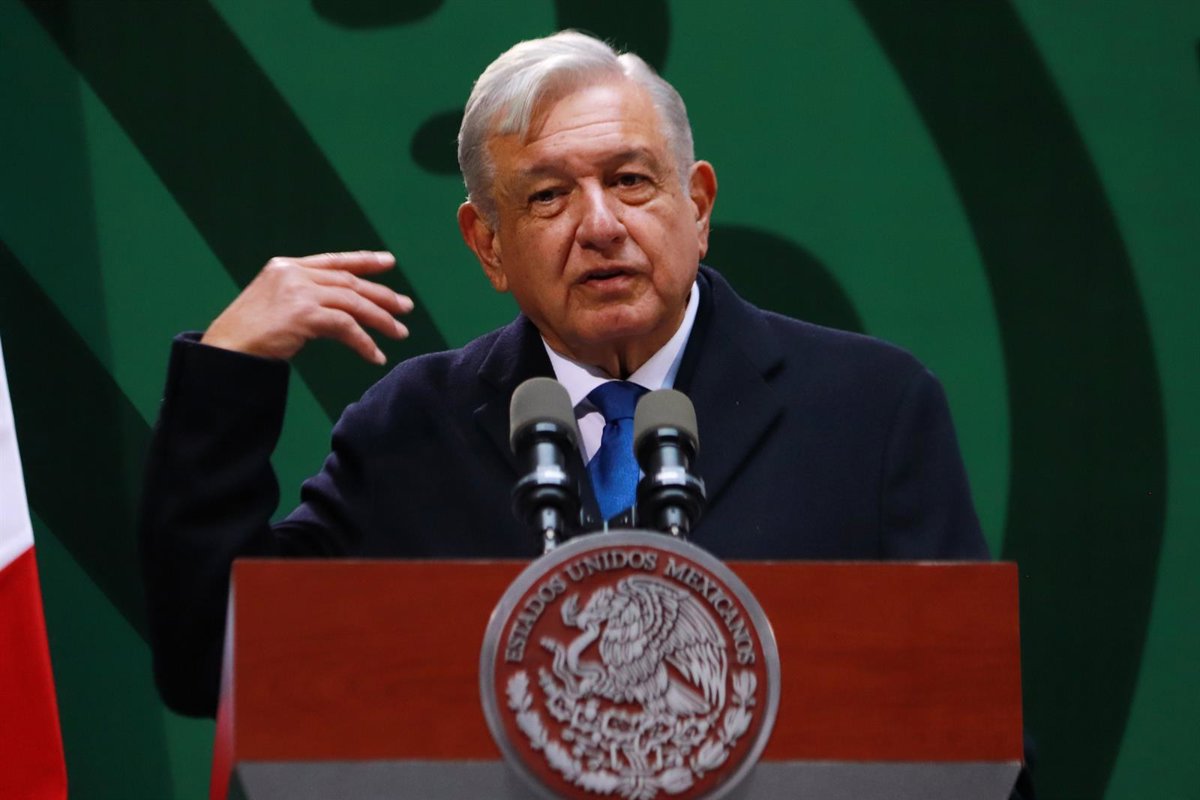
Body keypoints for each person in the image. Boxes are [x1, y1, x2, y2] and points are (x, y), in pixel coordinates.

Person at [140, 31, 988, 721]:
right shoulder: (412, 431)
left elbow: (971, 733)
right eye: (548, 196)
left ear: (697, 206)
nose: (601, 225)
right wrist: (228, 370)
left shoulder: (869, 411)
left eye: (630, 181)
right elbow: (215, 666)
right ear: (488, 244)